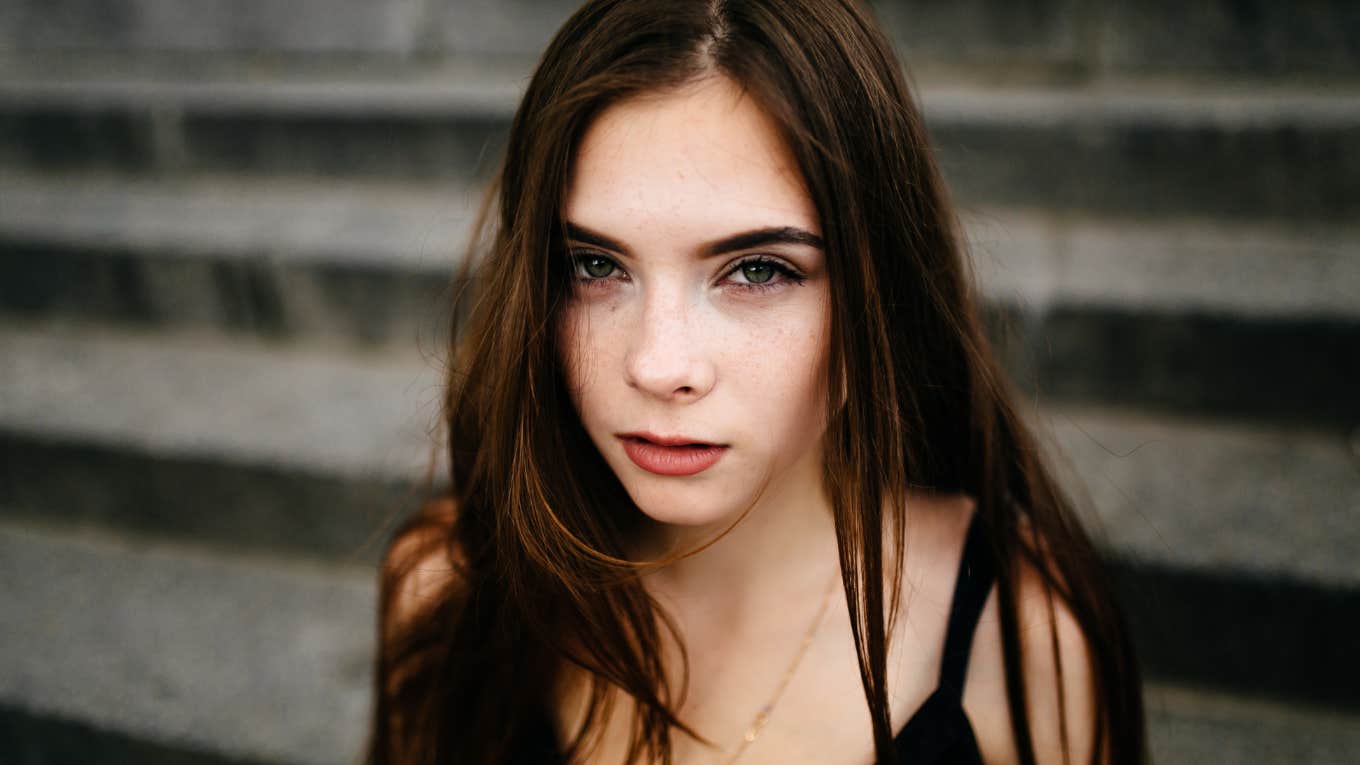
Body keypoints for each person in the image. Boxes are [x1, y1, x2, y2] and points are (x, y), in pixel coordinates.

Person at [367, 1, 1145, 763]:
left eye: (759, 270)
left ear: (879, 294)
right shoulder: (449, 587)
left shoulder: (1026, 635)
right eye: (595, 265)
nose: (659, 365)